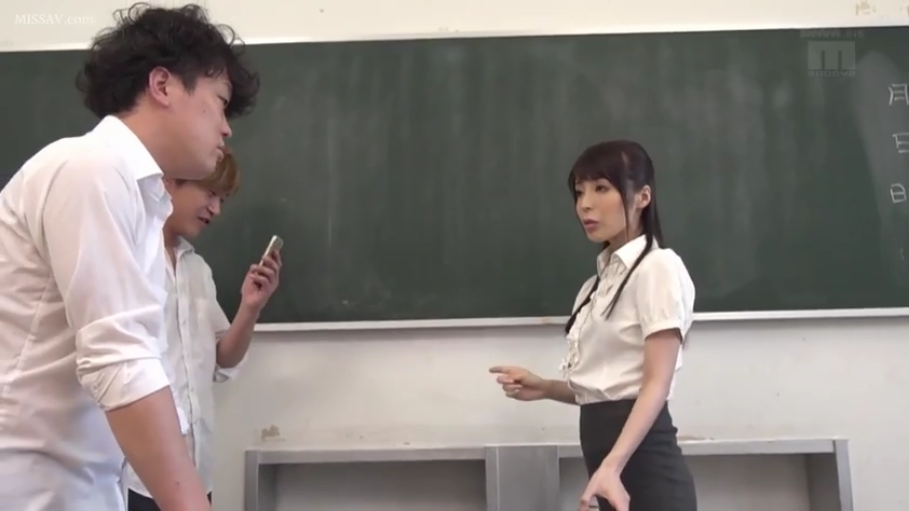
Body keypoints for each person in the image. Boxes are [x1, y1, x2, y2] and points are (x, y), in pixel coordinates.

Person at [0, 3, 259, 511]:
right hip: (33, 487)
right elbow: (120, 359)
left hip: (82, 486)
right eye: (219, 103)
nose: (226, 129)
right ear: (162, 85)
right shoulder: (91, 168)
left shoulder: (142, 199)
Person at [489, 140, 697, 511]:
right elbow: (608, 389)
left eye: (601, 188)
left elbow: (656, 383)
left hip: (646, 469)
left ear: (642, 197)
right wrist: (545, 387)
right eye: (579, 191)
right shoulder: (594, 286)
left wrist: (612, 466)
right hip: (609, 468)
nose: (585, 204)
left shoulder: (657, 267)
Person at [125, 147, 282, 511]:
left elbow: (222, 360)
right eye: (210, 194)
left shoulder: (197, 270)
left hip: (196, 468)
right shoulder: (129, 258)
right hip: (136, 475)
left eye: (222, 200)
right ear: (169, 183)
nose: (216, 209)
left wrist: (250, 307)